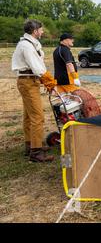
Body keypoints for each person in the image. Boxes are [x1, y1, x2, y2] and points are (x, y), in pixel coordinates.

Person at [11, 20, 58, 162]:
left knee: (28, 115)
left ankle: (30, 144)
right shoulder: (26, 46)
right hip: (28, 81)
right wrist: (51, 84)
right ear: (35, 30)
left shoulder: (30, 43)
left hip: (29, 81)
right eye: (41, 30)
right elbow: (38, 67)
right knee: (38, 117)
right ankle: (35, 152)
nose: (42, 32)